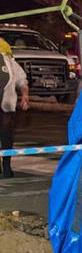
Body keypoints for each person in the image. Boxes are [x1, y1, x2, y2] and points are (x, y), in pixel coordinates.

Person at [0, 38, 29, 178]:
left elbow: (22, 81)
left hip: (6, 106)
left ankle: (6, 166)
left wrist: (25, 95)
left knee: (6, 135)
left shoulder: (10, 63)